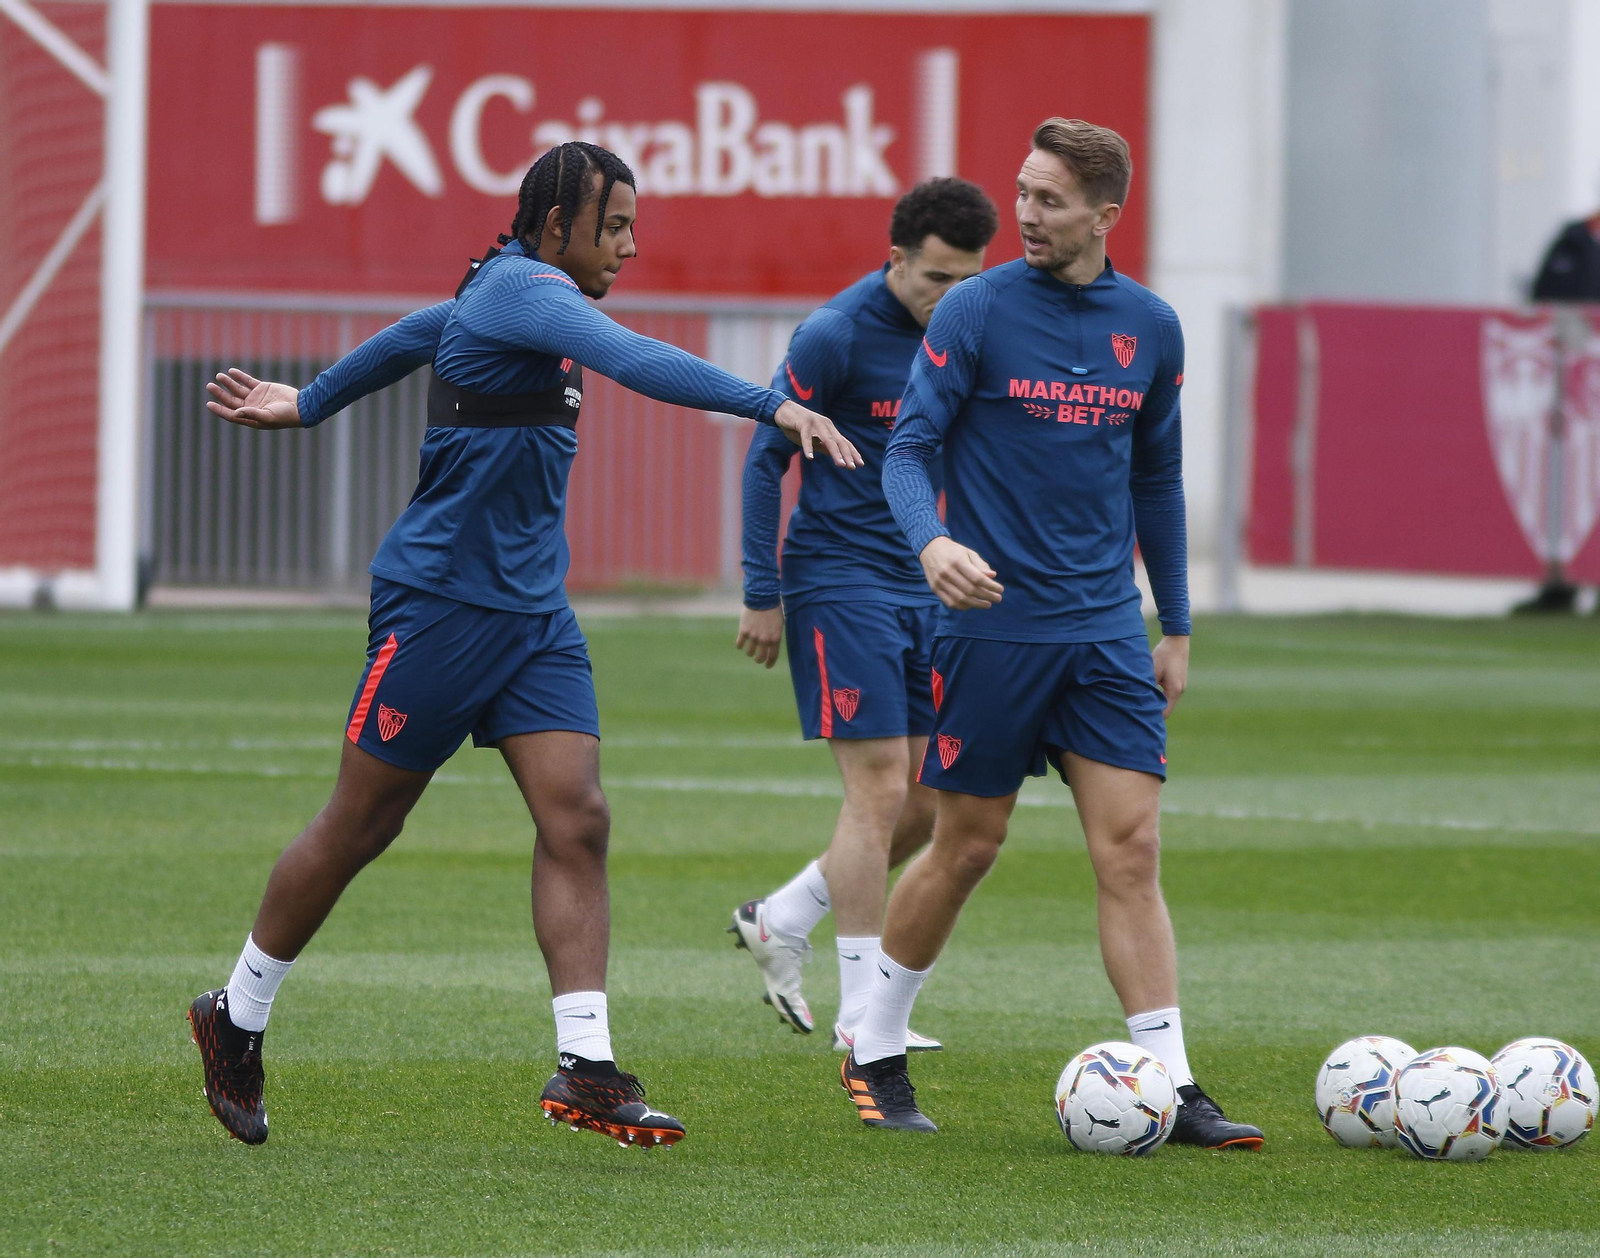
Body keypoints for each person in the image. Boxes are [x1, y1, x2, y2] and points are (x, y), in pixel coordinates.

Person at [191, 141, 860, 1150]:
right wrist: (772, 403)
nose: (631, 247)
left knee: (577, 815)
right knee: (360, 826)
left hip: (531, 619)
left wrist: (313, 399)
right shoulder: (527, 290)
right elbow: (634, 357)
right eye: (616, 227)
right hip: (439, 605)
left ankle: (587, 1065)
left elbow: (423, 330)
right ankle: (234, 1015)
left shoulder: (498, 301)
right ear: (557, 227)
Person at [837, 118, 1263, 1149]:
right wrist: (932, 543)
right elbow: (908, 452)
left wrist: (1177, 621)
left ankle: (1169, 1075)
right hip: (992, 628)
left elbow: (1155, 478)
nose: (1026, 214)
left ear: (1105, 213)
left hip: (1107, 632)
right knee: (967, 845)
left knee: (1132, 847)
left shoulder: (1151, 326)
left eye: (1050, 200)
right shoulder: (976, 310)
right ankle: (874, 1043)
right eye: (1022, 192)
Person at [729, 179, 998, 1053]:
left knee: (926, 805)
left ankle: (780, 916)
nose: (951, 298)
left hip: (928, 583)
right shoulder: (834, 334)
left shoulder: (973, 331)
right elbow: (765, 460)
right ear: (895, 260)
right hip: (838, 581)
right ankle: (860, 1017)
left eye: (968, 280)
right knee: (879, 791)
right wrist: (761, 591)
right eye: (935, 280)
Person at [1515, 210, 1600, 614]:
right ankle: (1559, 580)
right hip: (1574, 386)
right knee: (1565, 484)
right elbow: (1545, 300)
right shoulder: (1571, 242)